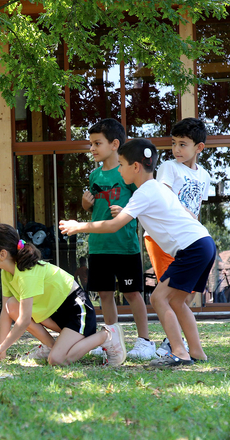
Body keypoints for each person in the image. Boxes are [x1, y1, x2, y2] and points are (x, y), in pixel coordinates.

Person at [60, 138, 215, 367]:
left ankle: (180, 353)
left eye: (121, 164)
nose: (119, 169)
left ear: (135, 167)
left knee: (158, 298)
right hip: (204, 243)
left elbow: (113, 226)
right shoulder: (156, 188)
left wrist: (78, 226)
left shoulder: (143, 192)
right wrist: (126, 211)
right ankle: (196, 351)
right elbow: (178, 213)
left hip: (192, 248)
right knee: (177, 302)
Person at [0, 223, 126, 367]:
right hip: (55, 315)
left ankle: (107, 335)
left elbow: (24, 321)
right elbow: (6, 313)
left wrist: (2, 345)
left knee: (58, 360)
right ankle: (51, 347)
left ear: (2, 254)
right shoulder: (7, 273)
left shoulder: (27, 275)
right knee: (11, 305)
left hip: (77, 312)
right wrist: (1, 353)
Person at [139, 118, 211, 359]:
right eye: (174, 143)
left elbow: (197, 207)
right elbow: (164, 198)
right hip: (163, 238)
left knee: (182, 296)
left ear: (199, 147)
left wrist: (195, 225)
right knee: (167, 295)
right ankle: (174, 344)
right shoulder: (169, 167)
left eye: (183, 144)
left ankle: (179, 344)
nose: (176, 149)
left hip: (188, 239)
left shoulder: (204, 176)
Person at [81, 118, 149, 359]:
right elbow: (95, 210)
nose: (92, 148)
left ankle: (144, 341)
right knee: (105, 295)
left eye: (97, 143)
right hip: (99, 246)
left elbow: (142, 207)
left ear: (114, 144)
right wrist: (85, 205)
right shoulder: (94, 175)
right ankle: (113, 341)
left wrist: (127, 214)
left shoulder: (129, 174)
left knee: (133, 294)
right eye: (90, 144)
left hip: (126, 247)